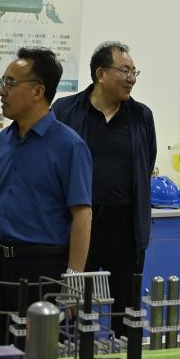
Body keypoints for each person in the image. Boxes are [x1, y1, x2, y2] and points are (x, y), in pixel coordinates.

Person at [0, 47, 93, 342]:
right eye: (3, 82)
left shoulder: (69, 145)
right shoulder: (4, 140)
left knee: (38, 353)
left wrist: (73, 278)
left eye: (10, 83)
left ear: (38, 91)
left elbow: (82, 214)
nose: (2, 91)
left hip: (41, 269)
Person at [51, 41, 156, 335]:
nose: (132, 78)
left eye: (134, 72)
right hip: (76, 225)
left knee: (126, 310)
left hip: (124, 228)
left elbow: (146, 164)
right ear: (101, 73)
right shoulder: (65, 110)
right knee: (72, 304)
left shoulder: (141, 116)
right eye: (125, 71)